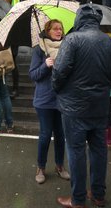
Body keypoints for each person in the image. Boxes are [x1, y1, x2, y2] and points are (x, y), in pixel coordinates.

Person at [52, 5, 111, 208]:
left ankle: (78, 199)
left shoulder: (72, 40)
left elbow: (59, 72)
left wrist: (58, 88)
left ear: (79, 19)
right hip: (99, 105)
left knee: (76, 151)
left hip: (74, 107)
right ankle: (98, 195)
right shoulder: (109, 41)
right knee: (99, 150)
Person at [29, 19, 70, 184]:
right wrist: (45, 65)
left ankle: (60, 166)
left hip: (62, 99)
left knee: (61, 135)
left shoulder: (67, 48)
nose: (59, 32)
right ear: (48, 31)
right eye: (55, 29)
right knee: (45, 135)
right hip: (44, 100)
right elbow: (33, 75)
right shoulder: (40, 50)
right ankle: (40, 167)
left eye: (61, 29)